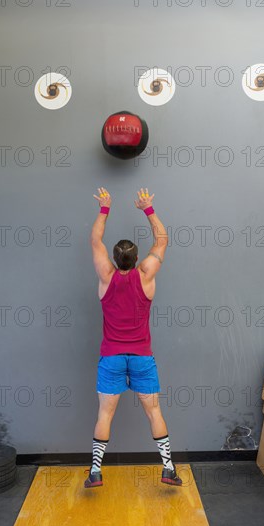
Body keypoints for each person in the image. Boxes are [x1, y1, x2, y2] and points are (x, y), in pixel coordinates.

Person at [84, 187, 182, 489]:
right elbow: (163, 240)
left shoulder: (105, 275)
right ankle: (168, 469)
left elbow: (95, 240)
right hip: (141, 358)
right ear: (137, 258)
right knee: (154, 411)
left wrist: (104, 208)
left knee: (104, 413)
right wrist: (148, 208)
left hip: (112, 358)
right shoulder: (146, 275)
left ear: (114, 259)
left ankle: (96, 473)